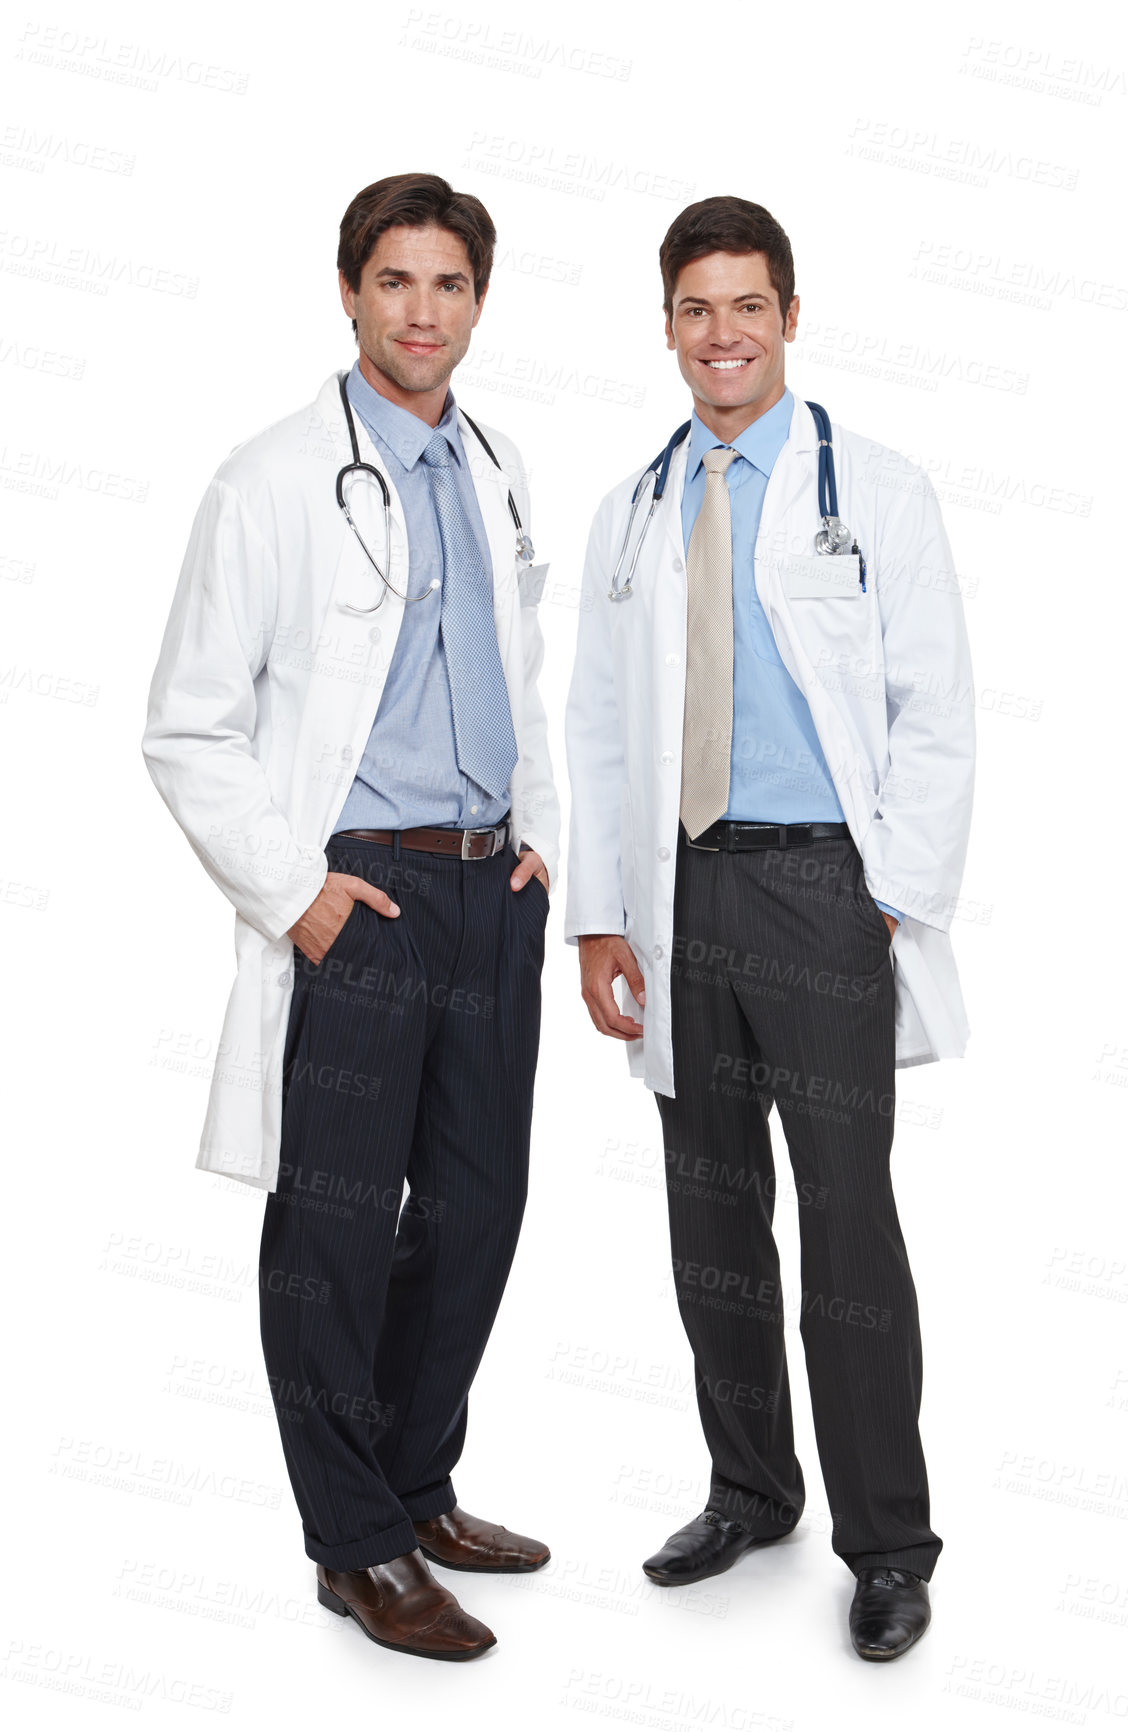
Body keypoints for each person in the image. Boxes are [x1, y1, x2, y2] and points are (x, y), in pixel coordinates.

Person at [142, 172, 560, 1662]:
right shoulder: (268, 479)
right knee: (330, 1229)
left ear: (477, 302)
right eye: (396, 281)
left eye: (449, 284)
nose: (423, 311)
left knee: (473, 1211)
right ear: (348, 292)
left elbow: (522, 680)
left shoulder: (493, 465)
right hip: (362, 900)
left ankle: (417, 1481)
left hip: (488, 892)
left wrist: (543, 853)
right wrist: (299, 898)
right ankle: (355, 1543)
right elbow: (187, 725)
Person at [564, 194, 975, 1662]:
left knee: (846, 1223)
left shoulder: (870, 487)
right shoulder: (633, 507)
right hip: (679, 893)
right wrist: (600, 921)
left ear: (789, 318)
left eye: (746, 306)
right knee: (711, 1207)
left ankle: (887, 1540)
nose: (719, 335)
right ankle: (749, 1487)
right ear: (665, 326)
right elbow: (602, 735)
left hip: (817, 894)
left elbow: (933, 708)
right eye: (693, 308)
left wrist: (888, 897)